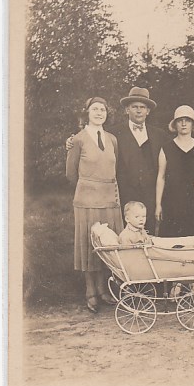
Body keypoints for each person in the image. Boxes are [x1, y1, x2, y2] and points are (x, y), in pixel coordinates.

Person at [66, 87, 166, 234]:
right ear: (127, 110)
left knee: (147, 234)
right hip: (123, 194)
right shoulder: (113, 134)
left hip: (149, 195)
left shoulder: (159, 135)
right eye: (134, 107)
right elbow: (93, 141)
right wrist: (70, 142)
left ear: (148, 111)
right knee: (122, 235)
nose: (139, 111)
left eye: (142, 107)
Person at [66, 97, 124, 314]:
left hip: (110, 198)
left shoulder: (112, 139)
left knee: (106, 244)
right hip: (87, 200)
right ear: (87, 113)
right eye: (95, 109)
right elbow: (70, 173)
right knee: (88, 244)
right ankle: (90, 291)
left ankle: (103, 290)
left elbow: (113, 167)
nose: (99, 113)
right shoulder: (78, 140)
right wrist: (89, 185)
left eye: (103, 109)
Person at [155, 105, 194, 238]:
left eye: (188, 120)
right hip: (173, 203)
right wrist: (158, 205)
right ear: (175, 124)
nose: (184, 123)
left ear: (193, 124)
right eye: (180, 120)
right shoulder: (166, 148)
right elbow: (161, 177)